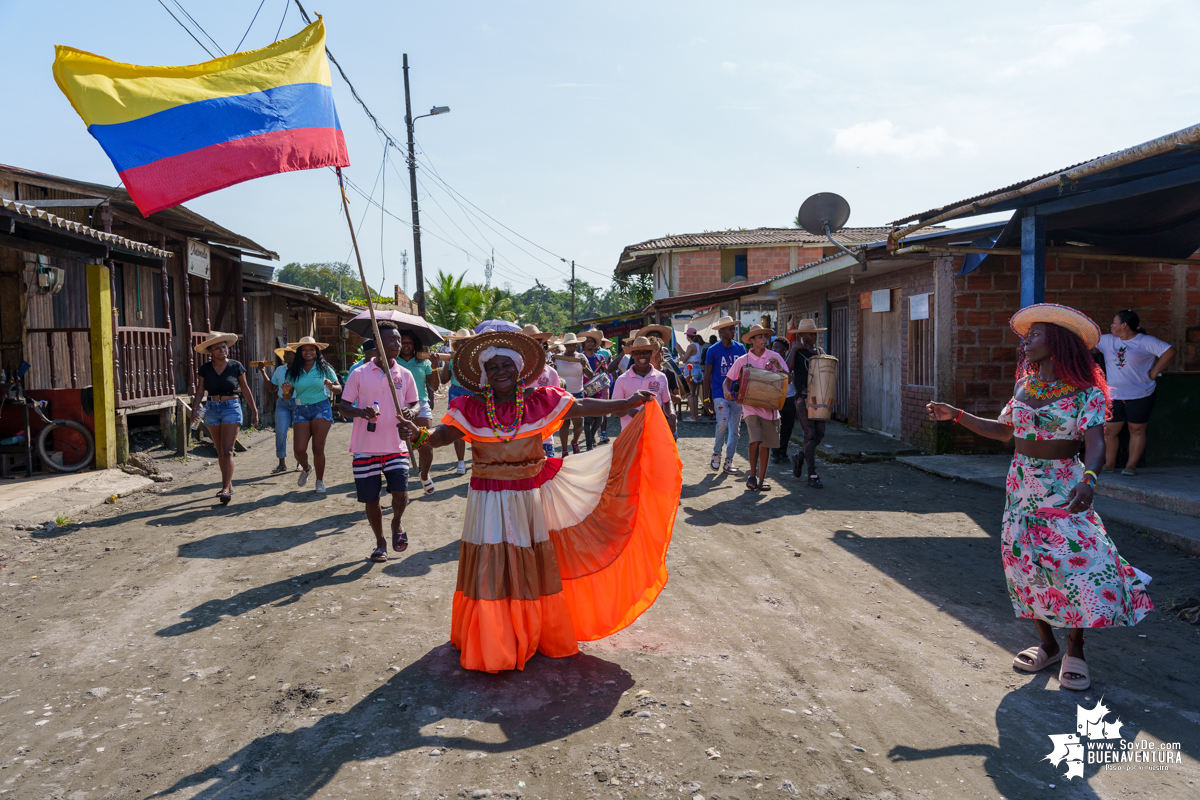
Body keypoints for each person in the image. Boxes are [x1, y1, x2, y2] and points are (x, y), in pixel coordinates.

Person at [399, 329, 682, 672]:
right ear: (484, 374)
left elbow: (579, 406)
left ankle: (531, 631)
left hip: (527, 496)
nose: (500, 371)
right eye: (493, 367)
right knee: (491, 560)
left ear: (519, 370)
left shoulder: (538, 401)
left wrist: (627, 403)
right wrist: (420, 435)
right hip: (486, 497)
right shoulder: (470, 407)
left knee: (527, 561)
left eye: (507, 365)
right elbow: (444, 435)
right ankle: (495, 635)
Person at [927, 304, 1153, 691]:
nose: (1026, 342)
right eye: (1026, 336)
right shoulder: (1025, 386)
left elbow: (1096, 445)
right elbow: (1004, 433)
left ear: (1059, 342)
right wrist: (957, 414)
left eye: (1035, 335)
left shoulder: (1087, 393)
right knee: (1026, 565)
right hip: (1021, 488)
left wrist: (1089, 478)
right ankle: (1047, 644)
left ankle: (1075, 646)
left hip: (1065, 488)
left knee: (1079, 566)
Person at [340, 322, 420, 562]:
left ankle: (396, 522)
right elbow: (343, 408)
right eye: (392, 340)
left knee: (401, 493)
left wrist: (411, 413)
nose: (398, 344)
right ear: (377, 344)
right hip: (365, 448)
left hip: (396, 446)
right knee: (371, 499)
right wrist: (360, 412)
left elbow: (414, 403)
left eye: (399, 340)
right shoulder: (359, 373)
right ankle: (380, 542)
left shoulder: (404, 374)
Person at [1095, 310, 1175, 475]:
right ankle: (1109, 464)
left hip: (1141, 394)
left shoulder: (1145, 341)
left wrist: (1154, 372)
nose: (1111, 325)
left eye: (1114, 322)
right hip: (1114, 395)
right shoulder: (1107, 340)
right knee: (1109, 431)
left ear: (1124, 325)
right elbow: (1086, 340)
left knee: (1136, 429)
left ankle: (1131, 465)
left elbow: (1170, 351)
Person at [189, 332, 259, 504]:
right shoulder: (205, 369)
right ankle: (228, 482)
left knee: (228, 449)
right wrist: (194, 410)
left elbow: (246, 389)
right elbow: (200, 391)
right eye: (218, 348)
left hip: (231, 408)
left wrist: (254, 411)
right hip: (211, 409)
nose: (222, 350)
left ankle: (225, 488)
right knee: (220, 451)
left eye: (224, 346)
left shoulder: (236, 366)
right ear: (210, 351)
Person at [724, 324, 788, 492]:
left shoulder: (775, 356)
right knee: (756, 440)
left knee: (765, 444)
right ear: (751, 340)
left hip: (770, 407)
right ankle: (752, 475)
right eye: (760, 337)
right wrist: (726, 391)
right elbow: (728, 380)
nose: (764, 339)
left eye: (765, 337)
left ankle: (762, 479)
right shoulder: (743, 360)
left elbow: (789, 378)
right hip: (750, 407)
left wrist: (779, 368)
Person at [283, 336, 340, 494]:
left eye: (311, 349)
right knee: (299, 450)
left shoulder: (324, 368)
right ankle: (307, 468)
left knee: (318, 447)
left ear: (316, 351)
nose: (308, 352)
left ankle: (320, 481)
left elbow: (339, 388)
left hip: (321, 408)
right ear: (300, 352)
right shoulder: (293, 371)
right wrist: (286, 391)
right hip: (301, 410)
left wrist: (332, 386)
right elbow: (288, 397)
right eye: (304, 349)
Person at [395, 331, 441, 494]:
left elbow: (434, 387)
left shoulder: (423, 362)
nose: (406, 345)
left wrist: (434, 366)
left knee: (426, 442)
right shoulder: (392, 362)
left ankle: (425, 474)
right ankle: (399, 476)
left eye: (410, 343)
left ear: (415, 346)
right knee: (399, 444)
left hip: (420, 403)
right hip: (398, 404)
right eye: (403, 342)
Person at [787, 319, 828, 488]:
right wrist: (793, 350)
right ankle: (812, 473)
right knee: (810, 435)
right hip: (803, 399)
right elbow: (786, 368)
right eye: (810, 334)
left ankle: (800, 457)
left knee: (819, 434)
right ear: (801, 335)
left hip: (820, 399)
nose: (813, 336)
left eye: (815, 333)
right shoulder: (797, 352)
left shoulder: (819, 351)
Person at [703, 316, 746, 473]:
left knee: (735, 429)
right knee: (722, 423)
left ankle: (729, 461)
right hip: (719, 392)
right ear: (721, 331)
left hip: (737, 395)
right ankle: (716, 454)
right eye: (730, 329)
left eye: (734, 328)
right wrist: (706, 399)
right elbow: (707, 376)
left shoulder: (740, 348)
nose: (733, 331)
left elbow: (746, 372)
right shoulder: (712, 350)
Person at [611, 336, 672, 432]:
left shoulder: (661, 377)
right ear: (633, 355)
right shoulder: (622, 380)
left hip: (655, 432)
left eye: (645, 352)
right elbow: (614, 410)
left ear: (651, 353)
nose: (642, 355)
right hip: (630, 434)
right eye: (638, 352)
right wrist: (628, 410)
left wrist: (671, 415)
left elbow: (667, 401)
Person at [440, 329, 475, 475]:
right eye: (460, 342)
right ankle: (461, 461)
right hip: (456, 392)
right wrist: (447, 364)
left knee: (475, 428)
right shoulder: (451, 358)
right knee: (457, 428)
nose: (462, 344)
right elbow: (443, 380)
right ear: (456, 344)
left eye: (465, 342)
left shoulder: (476, 358)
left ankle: (477, 460)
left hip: (473, 393)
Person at [551, 333, 593, 455]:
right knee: (564, 423)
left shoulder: (581, 357)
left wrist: (584, 364)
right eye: (569, 345)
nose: (571, 347)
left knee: (579, 422)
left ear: (576, 345)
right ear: (565, 345)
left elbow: (590, 376)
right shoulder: (557, 358)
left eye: (573, 344)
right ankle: (564, 450)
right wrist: (552, 364)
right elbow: (552, 373)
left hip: (578, 393)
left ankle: (574, 441)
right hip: (562, 394)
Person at [257, 346, 296, 475]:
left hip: (299, 403)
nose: (285, 356)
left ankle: (301, 461)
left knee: (301, 434)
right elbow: (272, 388)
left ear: (296, 356)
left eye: (289, 354)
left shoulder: (301, 370)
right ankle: (282, 463)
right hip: (282, 404)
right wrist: (263, 372)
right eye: (284, 354)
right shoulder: (280, 370)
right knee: (280, 432)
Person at [524, 325, 561, 457]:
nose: (536, 347)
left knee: (548, 475)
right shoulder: (515, 372)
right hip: (522, 436)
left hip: (546, 436)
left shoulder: (551, 373)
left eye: (539, 343)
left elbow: (557, 404)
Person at [579, 330, 609, 450]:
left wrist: (603, 366)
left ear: (595, 344)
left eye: (592, 341)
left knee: (599, 419)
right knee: (587, 421)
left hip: (597, 391)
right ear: (583, 344)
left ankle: (590, 438)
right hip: (584, 391)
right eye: (587, 341)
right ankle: (589, 445)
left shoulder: (600, 357)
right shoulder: (580, 357)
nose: (590, 343)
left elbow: (606, 371)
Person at [770, 337, 796, 464]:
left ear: (785, 349)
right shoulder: (771, 362)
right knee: (775, 427)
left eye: (777, 347)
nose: (774, 350)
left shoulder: (790, 360)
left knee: (787, 427)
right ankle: (775, 453)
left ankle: (783, 452)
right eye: (773, 347)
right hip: (775, 398)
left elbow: (790, 372)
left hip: (790, 398)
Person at [681, 327, 704, 422]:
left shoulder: (691, 346)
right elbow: (687, 355)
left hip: (691, 369)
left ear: (688, 336)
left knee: (690, 394)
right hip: (698, 369)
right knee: (694, 394)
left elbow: (684, 359)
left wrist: (678, 349)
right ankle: (695, 416)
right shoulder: (698, 345)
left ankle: (693, 416)